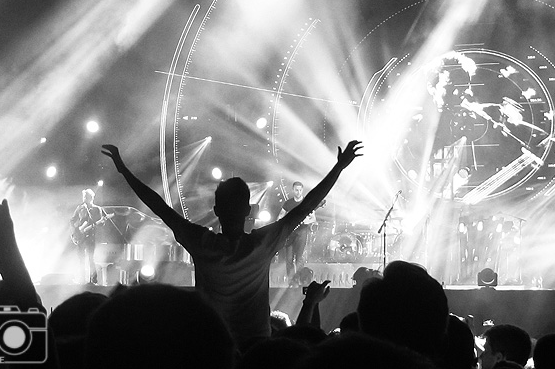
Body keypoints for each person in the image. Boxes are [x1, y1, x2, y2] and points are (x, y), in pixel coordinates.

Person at [101, 139, 363, 348]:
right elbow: (306, 206)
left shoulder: (202, 243)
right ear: (248, 210)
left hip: (213, 344)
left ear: (216, 210)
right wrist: (339, 167)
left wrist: (124, 171)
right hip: (256, 346)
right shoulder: (262, 243)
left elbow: (159, 206)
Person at [278, 180, 317, 283]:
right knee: (289, 259)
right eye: (296, 190)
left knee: (299, 258)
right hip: (290, 233)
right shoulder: (288, 203)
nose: (298, 192)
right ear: (293, 190)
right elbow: (280, 216)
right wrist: (282, 223)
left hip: (302, 232)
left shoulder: (307, 203)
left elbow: (313, 218)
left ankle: (301, 280)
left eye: (300, 190)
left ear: (302, 190)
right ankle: (291, 281)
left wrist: (305, 221)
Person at [70, 187, 106, 284]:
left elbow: (101, 223)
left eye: (86, 196)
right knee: (81, 259)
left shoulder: (97, 209)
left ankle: (93, 280)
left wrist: (101, 222)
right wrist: (77, 229)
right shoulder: (80, 208)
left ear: (91, 197)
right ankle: (82, 279)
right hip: (80, 236)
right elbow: (72, 220)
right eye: (84, 196)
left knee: (91, 258)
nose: (84, 198)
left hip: (91, 236)